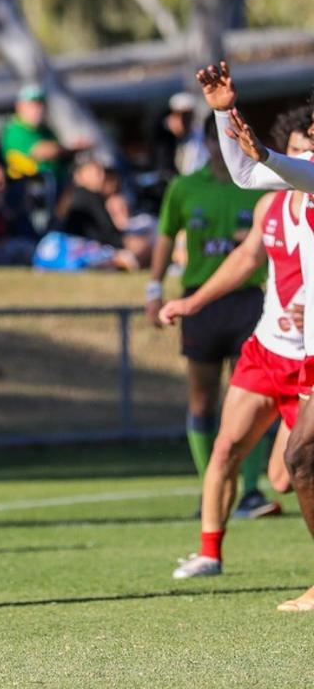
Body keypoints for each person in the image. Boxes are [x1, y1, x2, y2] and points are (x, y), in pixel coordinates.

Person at [158, 125, 314, 578]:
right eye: (298, 150)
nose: (304, 158)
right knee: (226, 448)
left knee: (289, 474)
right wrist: (192, 300)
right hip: (269, 349)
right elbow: (246, 254)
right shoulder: (270, 205)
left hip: (305, 357)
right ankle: (210, 551)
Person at [196, 60, 314, 610]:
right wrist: (223, 115)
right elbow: (245, 175)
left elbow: (279, 168)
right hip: (298, 349)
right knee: (300, 460)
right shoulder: (287, 190)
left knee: (300, 459)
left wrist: (267, 154)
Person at [145, 115, 275, 518]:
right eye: (219, 140)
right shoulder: (185, 187)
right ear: (207, 142)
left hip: (247, 301)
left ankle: (249, 491)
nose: (226, 147)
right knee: (202, 400)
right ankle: (212, 486)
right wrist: (154, 289)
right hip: (200, 301)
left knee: (249, 399)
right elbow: (166, 236)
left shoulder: (256, 185)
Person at [152, 92, 209, 180]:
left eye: (187, 116)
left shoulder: (203, 137)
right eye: (178, 116)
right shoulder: (165, 141)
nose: (182, 121)